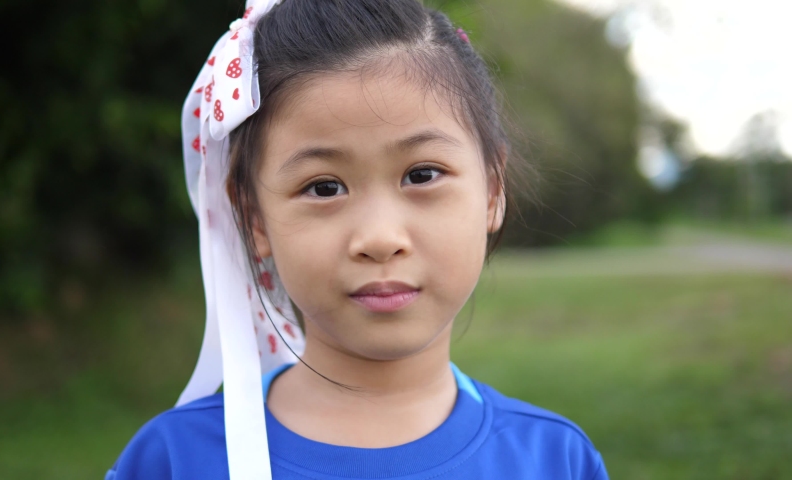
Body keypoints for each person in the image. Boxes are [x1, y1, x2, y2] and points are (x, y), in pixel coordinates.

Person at [106, 0, 609, 479]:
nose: (379, 238)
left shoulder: (554, 460)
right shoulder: (173, 462)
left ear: (493, 190)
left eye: (422, 175)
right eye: (324, 187)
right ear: (253, 217)